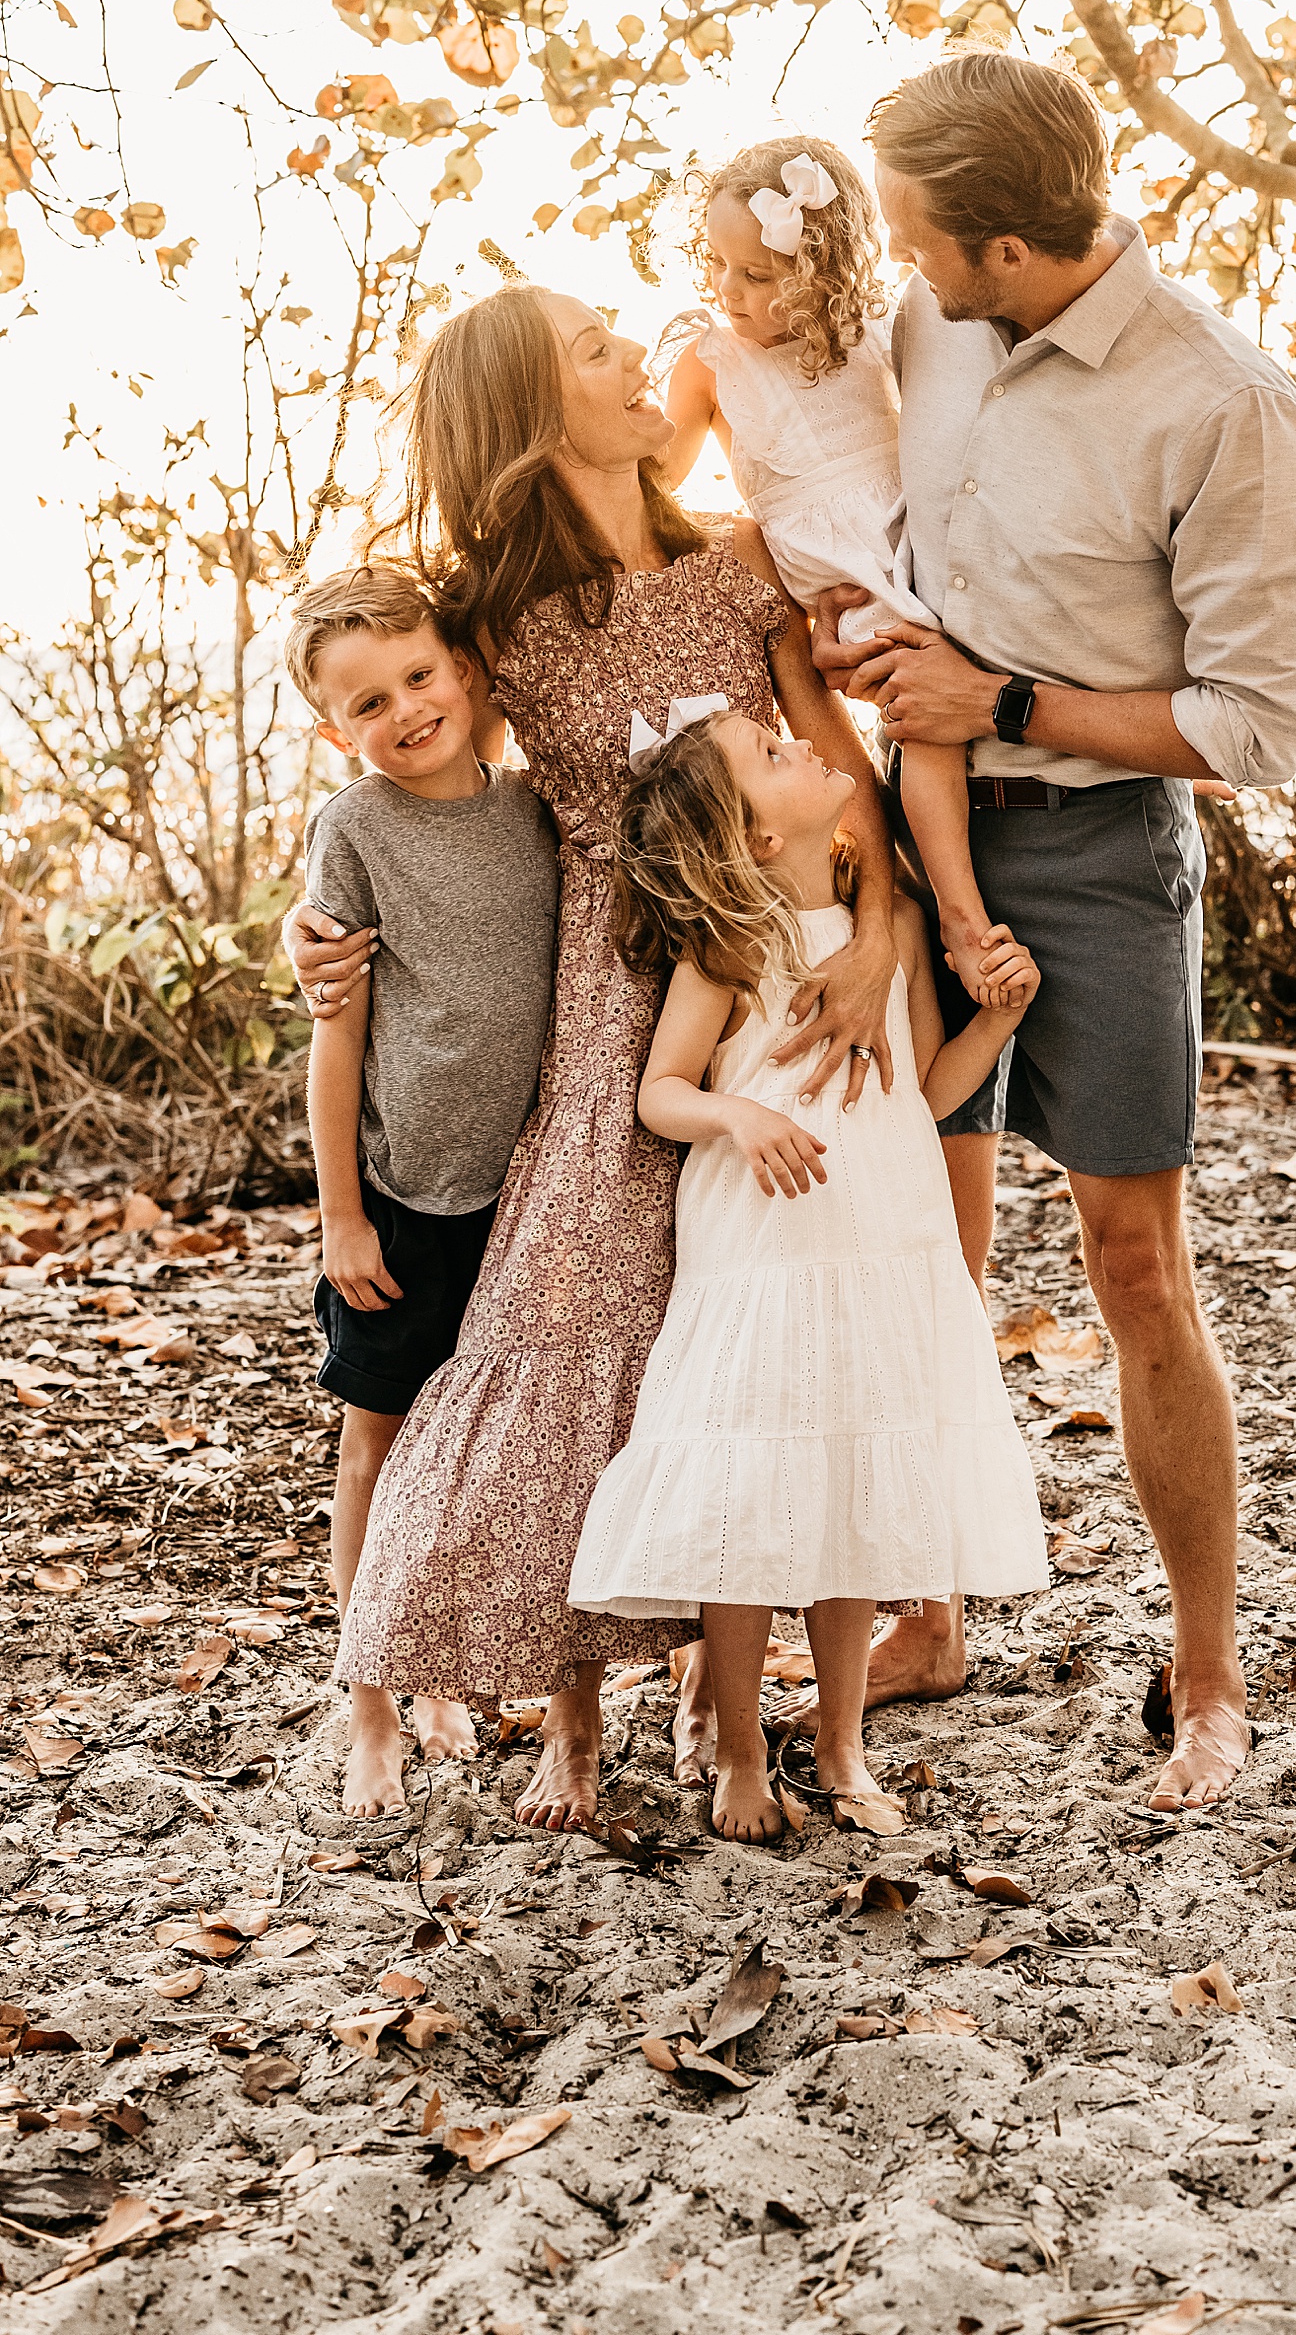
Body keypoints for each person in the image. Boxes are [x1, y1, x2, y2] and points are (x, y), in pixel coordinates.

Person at [288, 282, 899, 1833]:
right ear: (527, 405)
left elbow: (835, 767)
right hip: (612, 996)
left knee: (757, 1321)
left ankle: (726, 1671)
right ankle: (570, 1711)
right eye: (596, 349)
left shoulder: (734, 564)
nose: (636, 355)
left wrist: (882, 934)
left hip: (770, 974)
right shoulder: (486, 612)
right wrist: (317, 928)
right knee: (590, 1317)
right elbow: (410, 783)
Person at [816, 52, 1296, 1809]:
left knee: (1133, 1269)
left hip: (1106, 861)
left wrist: (1005, 694)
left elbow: (1257, 730)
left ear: (1013, 246)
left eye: (915, 238)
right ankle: (932, 1610)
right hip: (906, 841)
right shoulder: (933, 325)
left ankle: (1205, 1675)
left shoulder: (1224, 405)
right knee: (918, 1259)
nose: (902, 267)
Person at [567, 704, 1047, 1843]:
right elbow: (661, 1092)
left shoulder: (891, 935)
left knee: (856, 1504)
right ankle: (740, 1750)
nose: (799, 745)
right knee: (746, 1497)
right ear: (759, 841)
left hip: (882, 1237)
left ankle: (839, 1746)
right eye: (772, 756)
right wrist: (737, 1117)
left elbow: (920, 1095)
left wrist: (998, 1022)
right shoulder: (730, 951)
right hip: (765, 1251)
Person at [288, 564, 560, 1816]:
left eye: (416, 676)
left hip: (536, 1195)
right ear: (331, 727)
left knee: (497, 1449)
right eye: (365, 703)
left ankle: (456, 1663)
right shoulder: (354, 830)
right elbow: (335, 1032)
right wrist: (340, 1211)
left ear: (462, 669)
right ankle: (375, 1705)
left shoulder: (535, 807)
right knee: (380, 1444)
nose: (402, 709)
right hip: (407, 1194)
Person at [660, 134, 1020, 1009]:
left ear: (823, 271)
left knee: (978, 688)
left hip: (918, 542)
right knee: (921, 726)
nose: (729, 292)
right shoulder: (711, 359)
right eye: (718, 266)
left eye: (758, 274)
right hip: (840, 579)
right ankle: (955, 913)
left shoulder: (880, 331)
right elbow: (655, 487)